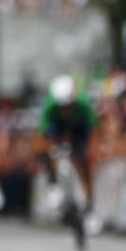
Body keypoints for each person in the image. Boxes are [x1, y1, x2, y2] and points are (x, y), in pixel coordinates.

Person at [35, 74, 97, 224]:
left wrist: (90, 149)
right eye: (61, 107)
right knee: (46, 152)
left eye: (68, 105)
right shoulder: (49, 107)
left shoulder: (83, 103)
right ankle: (53, 183)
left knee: (83, 160)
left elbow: (93, 128)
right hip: (58, 126)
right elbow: (41, 136)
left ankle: (89, 205)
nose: (65, 109)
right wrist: (49, 149)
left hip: (79, 127)